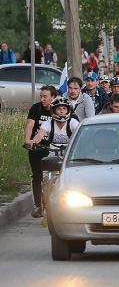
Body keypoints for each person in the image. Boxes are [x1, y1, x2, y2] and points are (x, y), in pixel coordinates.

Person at [25, 97, 79, 217]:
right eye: (58, 109)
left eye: (64, 109)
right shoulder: (48, 123)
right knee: (46, 178)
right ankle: (48, 208)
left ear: (68, 110)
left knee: (73, 178)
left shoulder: (73, 123)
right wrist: (33, 142)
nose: (61, 111)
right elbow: (40, 135)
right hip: (52, 153)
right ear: (53, 111)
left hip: (68, 154)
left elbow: (80, 136)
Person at [24, 85, 58, 217]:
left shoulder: (58, 109)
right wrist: (28, 141)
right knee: (37, 175)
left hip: (53, 147)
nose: (42, 99)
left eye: (45, 97)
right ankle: (38, 205)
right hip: (36, 146)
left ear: (53, 97)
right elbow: (30, 124)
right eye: (41, 96)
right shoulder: (36, 108)